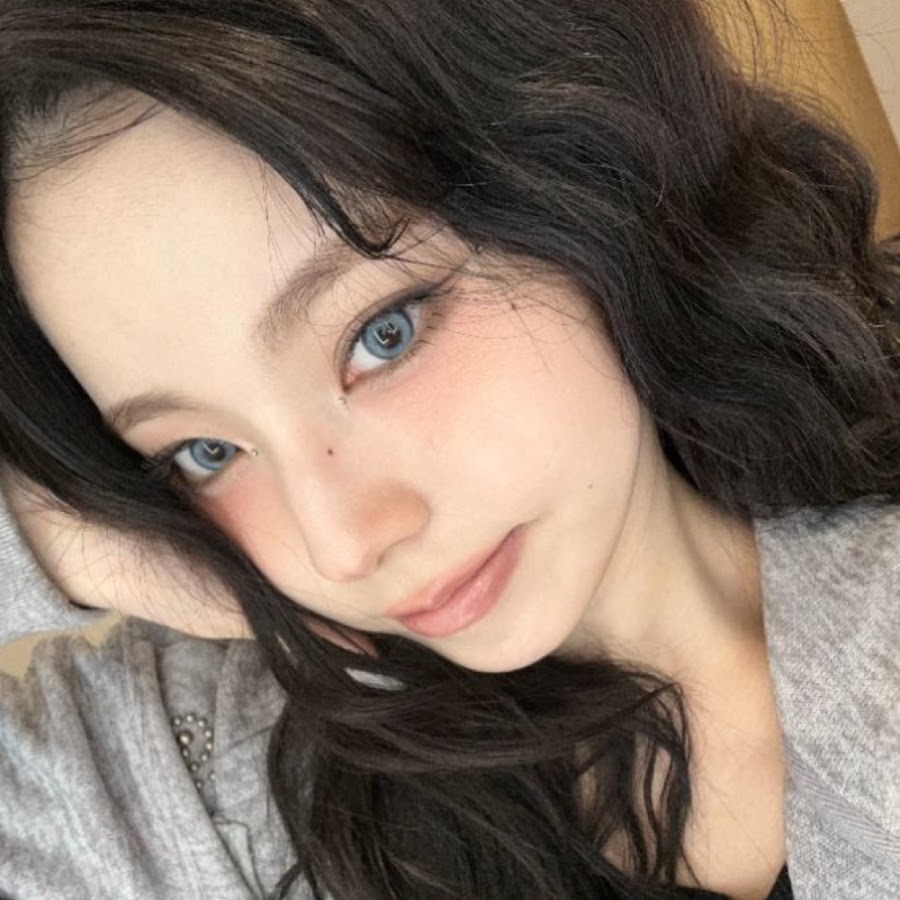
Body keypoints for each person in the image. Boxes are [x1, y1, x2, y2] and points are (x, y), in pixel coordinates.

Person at [0, 1, 898, 898]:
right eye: (203, 451)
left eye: (381, 335)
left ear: (580, 175)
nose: (343, 544)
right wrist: (60, 540)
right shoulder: (183, 769)